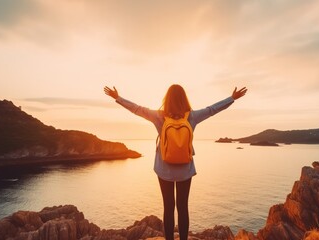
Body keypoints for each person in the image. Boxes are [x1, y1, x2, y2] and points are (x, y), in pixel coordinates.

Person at [104, 84, 247, 240]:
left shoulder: (159, 116)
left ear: (167, 99)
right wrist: (232, 98)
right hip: (185, 169)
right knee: (183, 207)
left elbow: (137, 109)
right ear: (184, 98)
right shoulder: (191, 116)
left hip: (164, 169)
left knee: (168, 207)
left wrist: (118, 98)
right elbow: (212, 109)